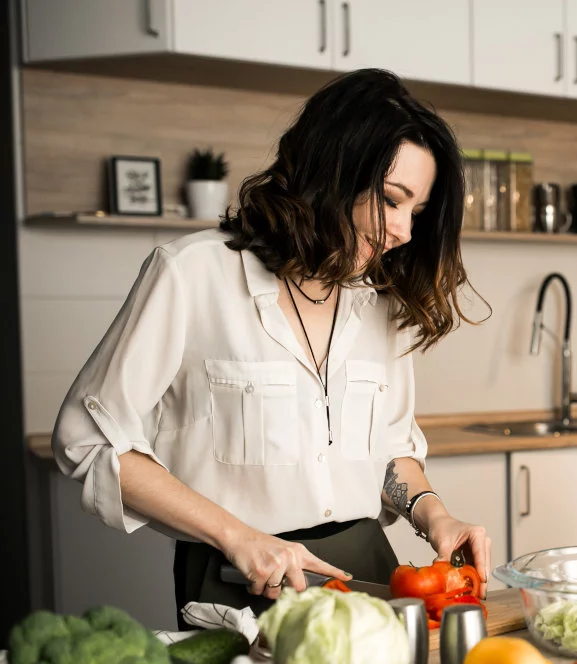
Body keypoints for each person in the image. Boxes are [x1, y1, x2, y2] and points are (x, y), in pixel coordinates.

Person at [52, 69, 491, 622]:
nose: (403, 229)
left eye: (416, 213)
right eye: (391, 199)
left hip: (368, 569)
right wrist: (236, 536)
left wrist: (434, 514)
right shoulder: (194, 275)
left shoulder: (380, 301)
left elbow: (387, 449)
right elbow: (90, 438)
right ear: (331, 171)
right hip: (242, 576)